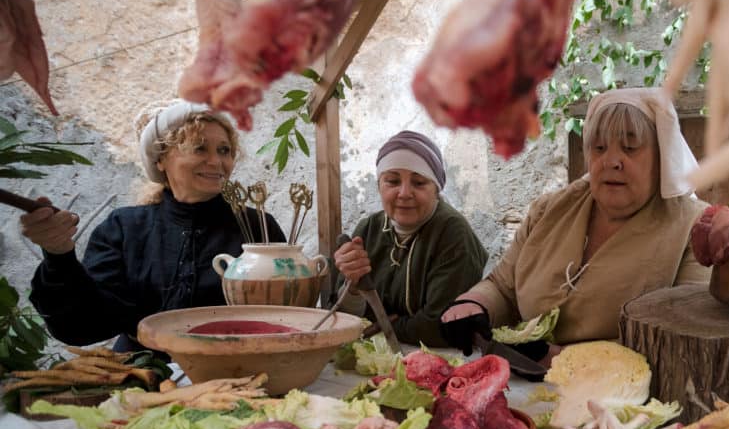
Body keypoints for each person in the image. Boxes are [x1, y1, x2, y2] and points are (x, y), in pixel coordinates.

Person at [440, 87, 710, 362]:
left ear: (662, 156)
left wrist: (561, 358)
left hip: (622, 396)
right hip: (525, 387)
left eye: (630, 148)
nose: (612, 161)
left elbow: (684, 338)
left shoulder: (695, 229)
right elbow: (502, 286)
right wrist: (474, 305)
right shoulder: (549, 211)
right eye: (599, 147)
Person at [21, 100, 285, 352]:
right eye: (199, 148)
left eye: (224, 150)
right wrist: (59, 255)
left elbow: (287, 313)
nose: (217, 162)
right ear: (161, 159)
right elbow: (83, 327)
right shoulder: (123, 229)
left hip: (238, 370)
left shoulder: (257, 226)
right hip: (144, 375)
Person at [333, 130, 488, 347]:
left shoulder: (452, 234)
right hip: (377, 353)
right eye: (393, 181)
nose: (404, 193)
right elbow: (340, 316)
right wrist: (353, 288)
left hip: (441, 359)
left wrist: (378, 324)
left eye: (419, 183)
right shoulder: (368, 229)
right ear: (379, 186)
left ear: (436, 189)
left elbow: (439, 327)